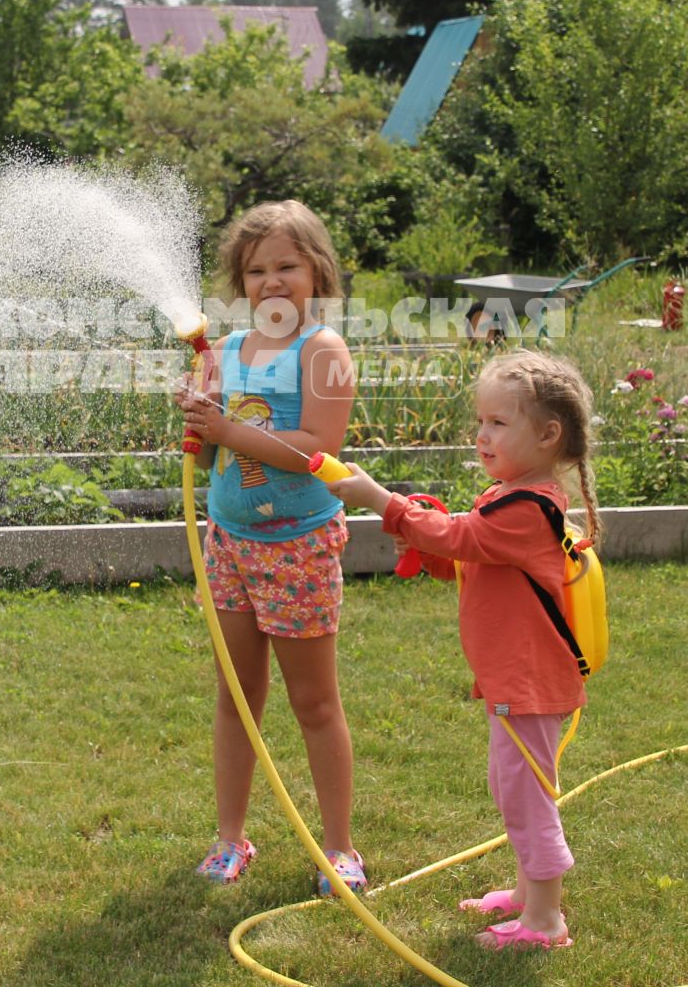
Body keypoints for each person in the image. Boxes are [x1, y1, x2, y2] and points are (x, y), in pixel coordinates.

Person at [323, 349, 600, 950]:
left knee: (528, 797)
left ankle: (545, 922)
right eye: (480, 421)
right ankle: (528, 897)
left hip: (528, 683)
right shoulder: (508, 495)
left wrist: (384, 503)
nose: (482, 434)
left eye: (499, 423)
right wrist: (446, 559)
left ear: (548, 434)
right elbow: (477, 555)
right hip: (514, 680)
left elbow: (465, 537)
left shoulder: (529, 506)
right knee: (514, 789)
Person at [174, 199, 364, 895]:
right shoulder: (224, 351)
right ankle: (231, 839)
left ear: (317, 271)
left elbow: (318, 450)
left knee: (314, 702)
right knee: (236, 696)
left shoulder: (324, 353)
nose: (272, 281)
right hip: (229, 542)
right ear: (239, 281)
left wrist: (226, 432)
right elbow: (211, 444)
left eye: (287, 265)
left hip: (296, 550)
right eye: (257, 270)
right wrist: (198, 417)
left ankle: (339, 848)